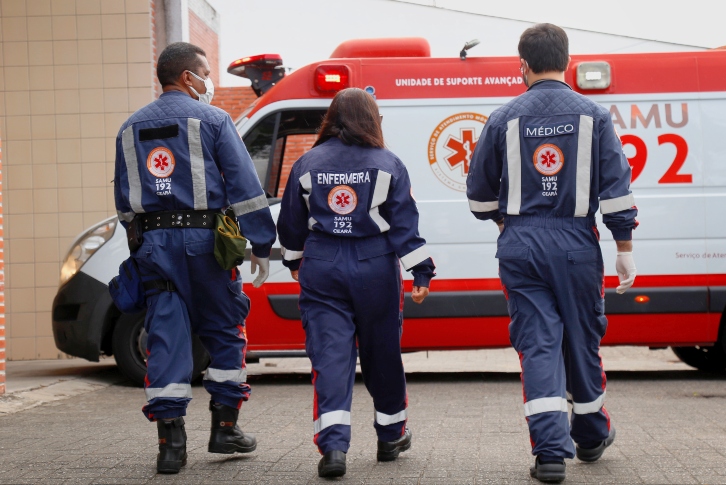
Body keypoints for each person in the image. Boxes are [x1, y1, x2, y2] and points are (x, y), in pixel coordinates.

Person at [466, 24, 638, 483]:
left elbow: (479, 197)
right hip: (577, 245)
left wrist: (507, 222)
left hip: (520, 247)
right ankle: (589, 435)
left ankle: (549, 455)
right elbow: (617, 192)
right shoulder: (595, 116)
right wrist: (624, 248)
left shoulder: (503, 118)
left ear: (521, 64)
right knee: (582, 340)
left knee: (538, 344)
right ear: (568, 60)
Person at [113, 42, 277, 474]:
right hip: (206, 244)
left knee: (165, 334)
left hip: (153, 245)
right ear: (189, 77)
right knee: (225, 328)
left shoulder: (129, 129)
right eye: (205, 72)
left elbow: (124, 205)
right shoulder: (214, 120)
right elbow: (244, 186)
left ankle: (171, 447)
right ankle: (224, 429)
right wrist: (260, 243)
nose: (209, 81)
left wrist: (144, 247)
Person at [277, 88, 435, 478]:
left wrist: (295, 260)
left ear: (332, 118)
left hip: (323, 265)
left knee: (331, 356)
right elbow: (404, 226)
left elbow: (291, 223)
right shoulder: (388, 164)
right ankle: (391, 435)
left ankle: (333, 448)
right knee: (382, 354)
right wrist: (421, 272)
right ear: (371, 119)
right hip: (375, 267)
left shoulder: (307, 163)